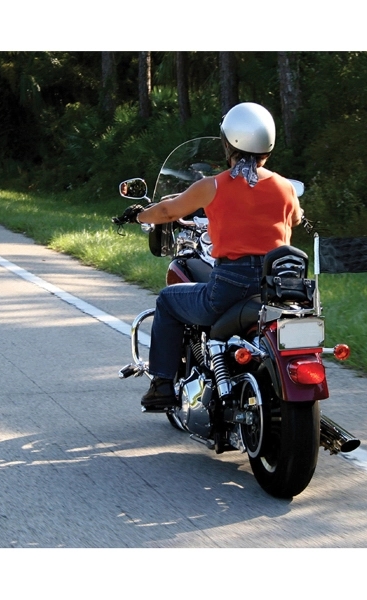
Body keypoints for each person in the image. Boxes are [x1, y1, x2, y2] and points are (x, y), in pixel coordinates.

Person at [121, 102, 302, 410]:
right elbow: (295, 219)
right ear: (267, 147)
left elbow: (168, 210)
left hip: (232, 285)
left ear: (227, 142)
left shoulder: (213, 185)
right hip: (276, 286)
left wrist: (139, 216)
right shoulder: (285, 187)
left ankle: (162, 384)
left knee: (167, 300)